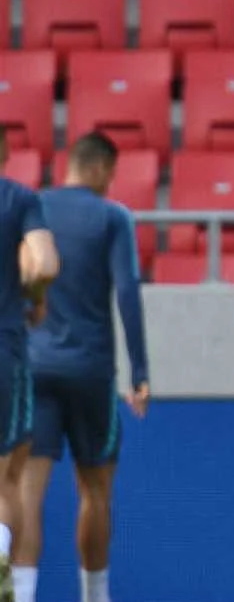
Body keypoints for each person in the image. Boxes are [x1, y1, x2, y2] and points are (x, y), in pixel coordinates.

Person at [11, 133, 150, 602]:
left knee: (26, 490)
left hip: (34, 366)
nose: (110, 183)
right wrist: (140, 371)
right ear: (98, 168)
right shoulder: (112, 216)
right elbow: (127, 291)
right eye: (111, 174)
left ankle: (21, 594)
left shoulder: (32, 207)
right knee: (95, 490)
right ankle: (94, 596)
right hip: (90, 371)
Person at [0, 133, 59, 602]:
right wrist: (34, 297)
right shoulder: (19, 199)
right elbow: (46, 263)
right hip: (5, 349)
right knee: (7, 478)